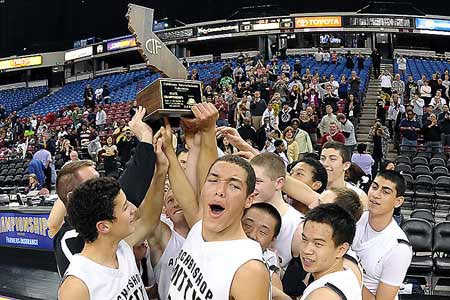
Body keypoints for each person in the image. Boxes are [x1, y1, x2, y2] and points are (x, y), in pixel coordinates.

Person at [159, 103, 270, 299]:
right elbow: (185, 194)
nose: (220, 191)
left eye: (234, 185)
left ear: (249, 199)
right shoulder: (199, 228)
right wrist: (168, 150)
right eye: (213, 181)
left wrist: (210, 129)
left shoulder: (248, 268)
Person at [51, 107, 157, 276]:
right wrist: (145, 139)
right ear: (73, 197)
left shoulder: (94, 225)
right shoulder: (72, 237)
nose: (102, 186)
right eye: (93, 183)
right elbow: (130, 187)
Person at [58, 154, 166, 300]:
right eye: (125, 207)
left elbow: (150, 219)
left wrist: (161, 171)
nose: (133, 210)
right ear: (103, 227)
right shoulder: (77, 286)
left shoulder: (122, 246)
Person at [352, 170, 412, 300]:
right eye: (374, 187)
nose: (376, 195)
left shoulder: (399, 248)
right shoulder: (355, 219)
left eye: (385, 192)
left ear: (398, 201)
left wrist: (348, 274)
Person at [250, 153, 304, 270]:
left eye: (258, 181)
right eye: (250, 180)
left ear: (279, 183)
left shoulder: (297, 227)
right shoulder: (244, 209)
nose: (251, 186)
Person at [299, 204, 361, 300]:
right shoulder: (346, 274)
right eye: (304, 239)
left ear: (341, 250)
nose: (307, 250)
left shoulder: (323, 296)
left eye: (318, 244)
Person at [242, 202, 285, 297]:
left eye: (262, 232)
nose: (252, 235)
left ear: (272, 240)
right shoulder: (216, 245)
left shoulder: (270, 277)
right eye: (248, 225)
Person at [320, 141, 369, 209]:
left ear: (346, 165)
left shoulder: (358, 196)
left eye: (333, 159)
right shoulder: (310, 190)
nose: (325, 163)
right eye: (322, 159)